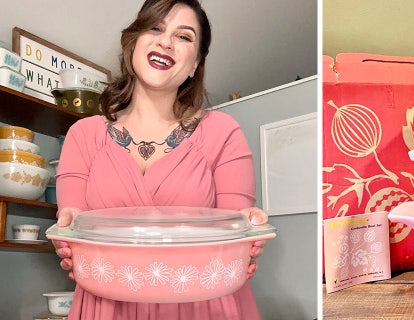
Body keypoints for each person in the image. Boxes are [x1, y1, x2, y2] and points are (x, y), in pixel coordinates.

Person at [52, 0, 269, 319]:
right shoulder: (83, 135)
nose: (166, 41)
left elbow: (236, 227)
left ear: (195, 64)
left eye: (184, 37)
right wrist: (66, 234)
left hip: (202, 306)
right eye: (155, 28)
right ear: (133, 42)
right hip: (107, 306)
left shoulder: (223, 132)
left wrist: (248, 227)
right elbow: (70, 224)